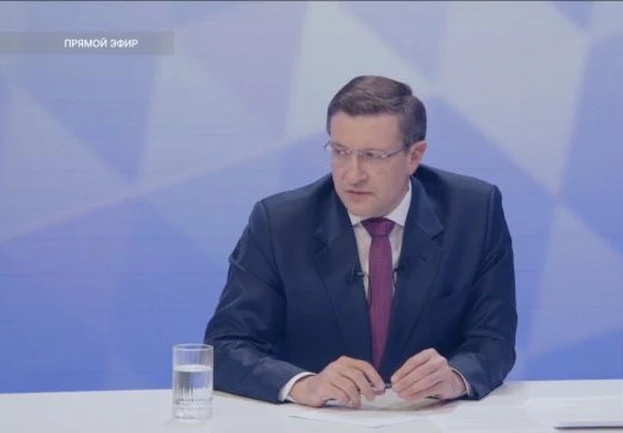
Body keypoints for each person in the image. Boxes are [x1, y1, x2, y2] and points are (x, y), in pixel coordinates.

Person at [203, 75, 518, 408]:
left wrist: (455, 377)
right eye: (341, 152)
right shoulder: (279, 224)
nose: (352, 175)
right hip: (318, 422)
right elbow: (225, 347)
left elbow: (493, 340)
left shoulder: (473, 213)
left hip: (431, 418)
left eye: (373, 156)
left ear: (414, 156)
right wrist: (304, 384)